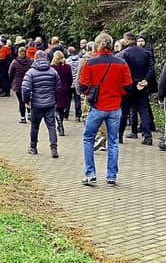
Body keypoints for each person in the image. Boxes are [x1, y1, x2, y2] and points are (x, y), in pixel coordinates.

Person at [79, 32, 133, 186]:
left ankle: (90, 173)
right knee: (113, 141)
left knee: (88, 138)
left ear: (97, 45)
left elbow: (82, 86)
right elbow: (128, 86)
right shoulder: (121, 63)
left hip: (97, 106)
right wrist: (118, 93)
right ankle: (111, 176)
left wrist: (91, 93)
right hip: (115, 106)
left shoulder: (90, 63)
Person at [118, 32, 155, 145]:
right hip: (141, 87)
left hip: (128, 87)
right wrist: (145, 80)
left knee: (124, 112)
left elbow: (122, 71)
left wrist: (130, 82)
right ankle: (148, 136)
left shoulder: (123, 54)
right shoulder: (146, 53)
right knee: (144, 111)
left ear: (126, 40)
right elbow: (151, 68)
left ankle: (119, 136)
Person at [22, 50, 61, 157]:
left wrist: (26, 101)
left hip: (36, 104)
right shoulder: (53, 71)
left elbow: (25, 89)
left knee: (34, 127)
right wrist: (55, 100)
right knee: (51, 126)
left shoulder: (31, 72)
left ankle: (33, 147)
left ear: (35, 58)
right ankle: (54, 149)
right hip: (50, 103)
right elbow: (58, 88)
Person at [8, 46, 34, 123]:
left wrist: (12, 81)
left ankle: (23, 117)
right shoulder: (30, 61)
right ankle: (29, 114)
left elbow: (10, 73)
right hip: (28, 83)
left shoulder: (14, 62)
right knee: (28, 99)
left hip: (18, 84)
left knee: (21, 101)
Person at [51, 50, 73, 136]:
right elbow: (70, 79)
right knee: (62, 108)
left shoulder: (52, 67)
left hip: (55, 89)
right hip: (65, 89)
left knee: (56, 108)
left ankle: (60, 125)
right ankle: (61, 124)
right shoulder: (67, 67)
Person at [66, 46, 83, 122]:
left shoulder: (67, 61)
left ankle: (66, 115)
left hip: (69, 83)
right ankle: (77, 116)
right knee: (77, 100)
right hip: (78, 83)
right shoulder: (80, 61)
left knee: (68, 100)